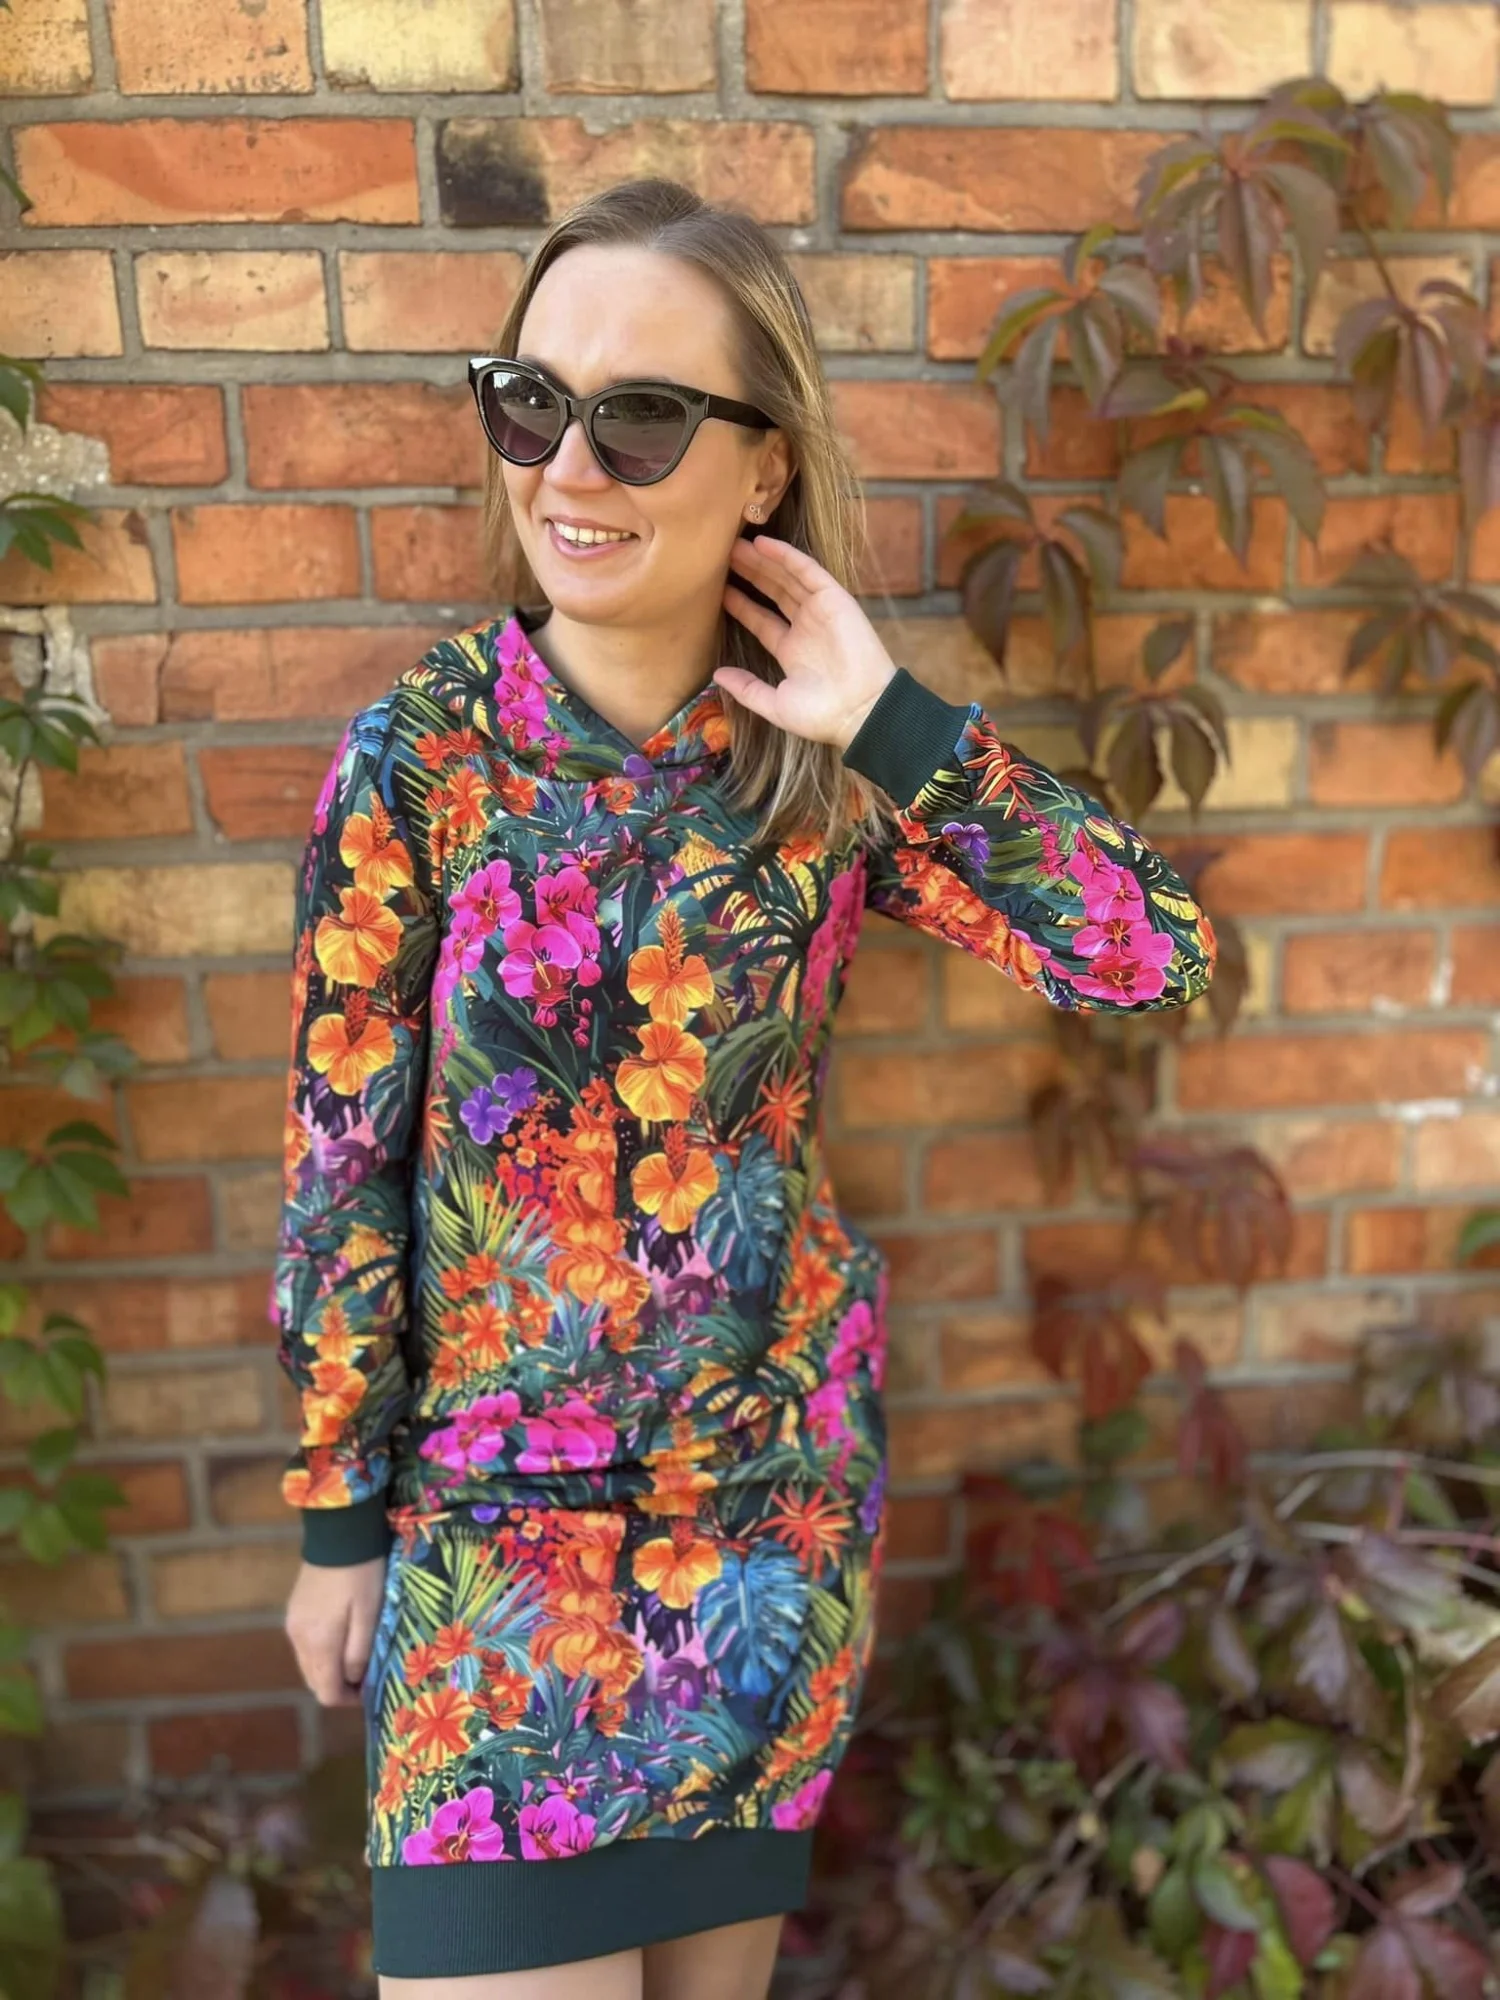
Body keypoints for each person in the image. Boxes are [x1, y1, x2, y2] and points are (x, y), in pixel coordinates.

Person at [274, 177, 1216, 2000]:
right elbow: (340, 1161)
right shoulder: (421, 756)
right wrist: (337, 1522)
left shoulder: (826, 762)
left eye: (640, 418)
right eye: (530, 403)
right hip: (490, 1546)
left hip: (761, 1524)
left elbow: (1146, 955)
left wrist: (894, 725)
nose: (570, 468)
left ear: (763, 465)